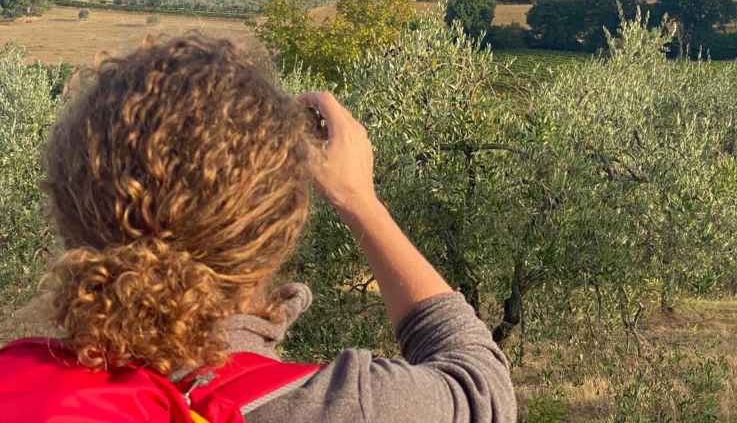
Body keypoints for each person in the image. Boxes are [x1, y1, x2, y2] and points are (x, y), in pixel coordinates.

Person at [0, 36, 516, 423]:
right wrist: (360, 201)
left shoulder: (17, 394)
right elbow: (483, 391)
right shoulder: (336, 409)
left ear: (66, 212)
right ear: (282, 228)